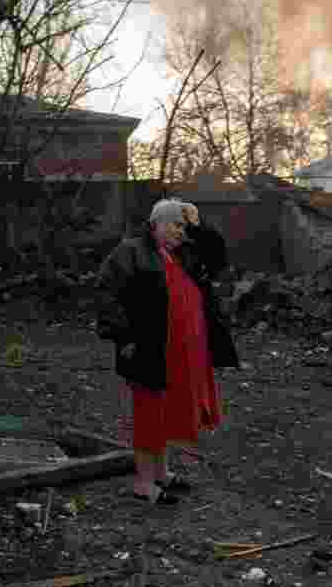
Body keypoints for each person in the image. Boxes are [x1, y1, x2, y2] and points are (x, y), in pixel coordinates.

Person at [96, 199, 239, 504]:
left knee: (166, 410)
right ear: (155, 224)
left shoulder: (183, 255)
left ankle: (161, 474)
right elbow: (107, 294)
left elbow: (218, 258)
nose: (179, 231)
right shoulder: (131, 251)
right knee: (149, 412)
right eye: (174, 224)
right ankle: (144, 484)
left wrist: (198, 225)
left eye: (182, 226)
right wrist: (125, 337)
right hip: (148, 348)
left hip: (181, 351)